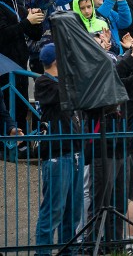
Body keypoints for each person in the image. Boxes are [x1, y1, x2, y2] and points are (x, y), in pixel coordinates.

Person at [34, 44, 84, 256]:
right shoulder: (43, 82)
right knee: (53, 210)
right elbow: (66, 93)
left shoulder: (63, 81)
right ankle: (42, 253)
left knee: (72, 212)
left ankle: (67, 252)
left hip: (74, 153)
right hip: (57, 154)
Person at [0, 0, 44, 132]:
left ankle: (22, 143)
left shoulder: (19, 5)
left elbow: (35, 35)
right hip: (4, 67)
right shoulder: (1, 6)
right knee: (5, 105)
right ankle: (5, 145)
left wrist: (37, 20)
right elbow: (3, 34)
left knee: (21, 105)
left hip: (20, 66)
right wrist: (27, 22)